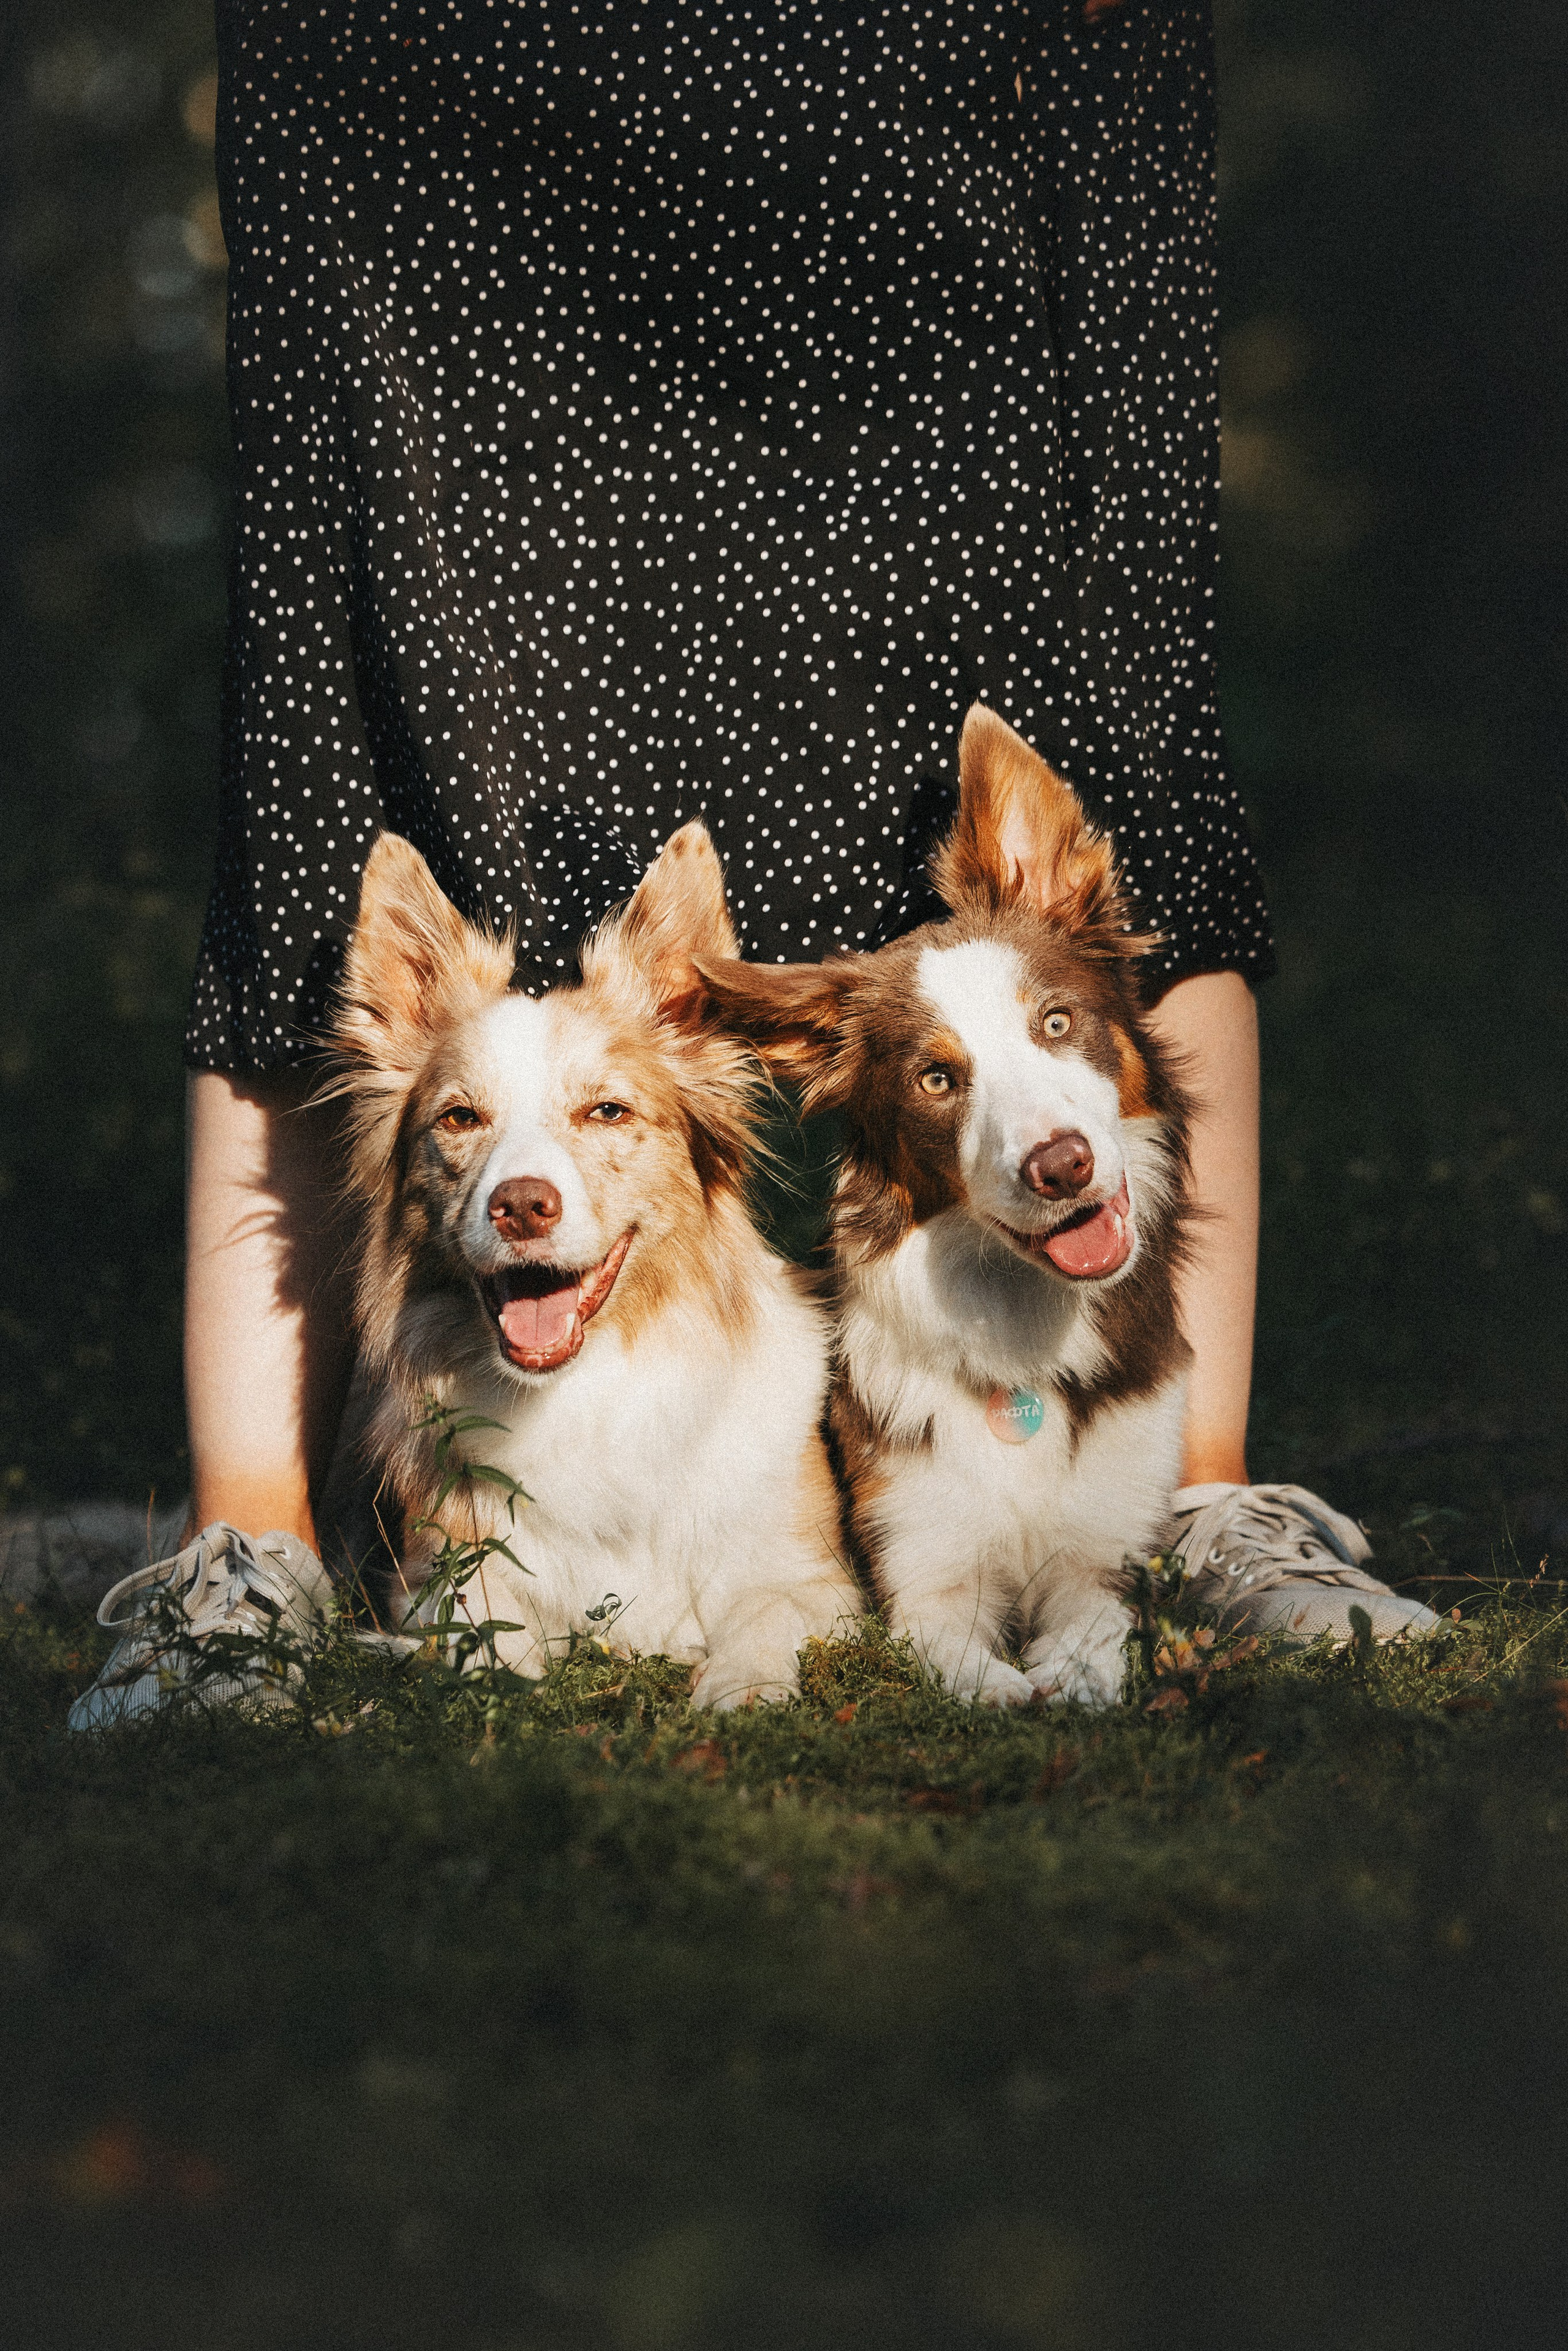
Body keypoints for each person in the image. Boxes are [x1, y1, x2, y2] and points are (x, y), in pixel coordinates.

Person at [69, 0, 1434, 1728]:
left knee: (1115, 787)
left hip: (926, 98)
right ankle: (249, 1551)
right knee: (331, 785)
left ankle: (1191, 1503)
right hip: (466, 113)